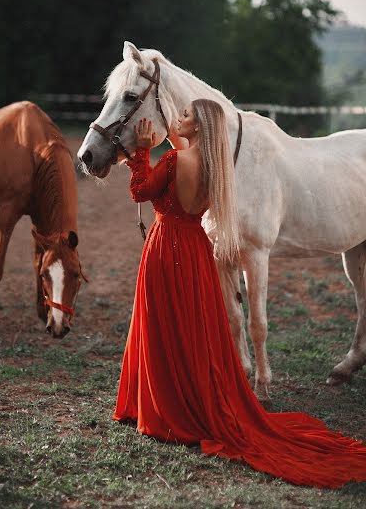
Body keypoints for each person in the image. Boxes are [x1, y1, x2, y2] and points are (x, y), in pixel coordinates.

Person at [112, 98, 366, 488]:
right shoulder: (220, 171)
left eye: (186, 116)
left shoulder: (175, 161)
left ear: (198, 128)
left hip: (169, 247)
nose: (178, 118)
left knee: (164, 324)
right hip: (196, 247)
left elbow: (140, 192)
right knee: (191, 325)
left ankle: (166, 405)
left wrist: (141, 152)